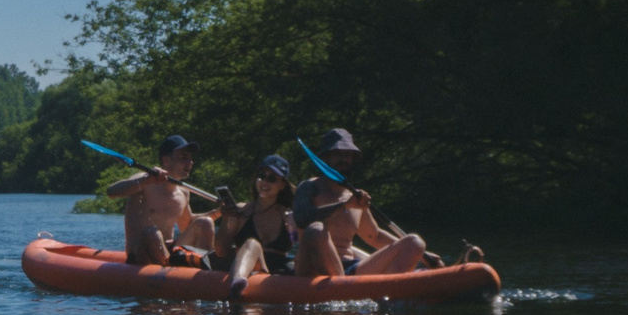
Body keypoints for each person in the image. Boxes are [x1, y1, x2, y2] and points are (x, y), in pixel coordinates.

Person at [291, 128, 426, 278]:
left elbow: (374, 236)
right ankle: (343, 289)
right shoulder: (309, 187)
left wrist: (423, 256)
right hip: (312, 266)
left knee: (415, 243)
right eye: (337, 154)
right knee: (316, 229)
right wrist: (343, 205)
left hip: (350, 267)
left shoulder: (356, 197)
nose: (343, 159)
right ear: (325, 158)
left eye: (347, 155)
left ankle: (389, 294)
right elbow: (301, 218)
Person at [105, 136, 214, 267]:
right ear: (166, 161)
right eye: (183, 157)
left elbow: (187, 224)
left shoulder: (183, 192)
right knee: (153, 233)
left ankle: (203, 272)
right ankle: (170, 275)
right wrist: (146, 180)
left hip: (169, 251)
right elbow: (111, 192)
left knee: (205, 223)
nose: (190, 162)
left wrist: (219, 212)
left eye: (190, 158)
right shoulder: (143, 181)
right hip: (140, 254)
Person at [205, 154, 298, 282]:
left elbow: (301, 246)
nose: (264, 182)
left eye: (272, 178)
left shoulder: (288, 215)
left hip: (275, 272)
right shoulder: (242, 211)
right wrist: (226, 219)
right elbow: (221, 251)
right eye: (261, 176)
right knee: (252, 244)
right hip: (245, 269)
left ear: (282, 185)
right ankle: (236, 283)